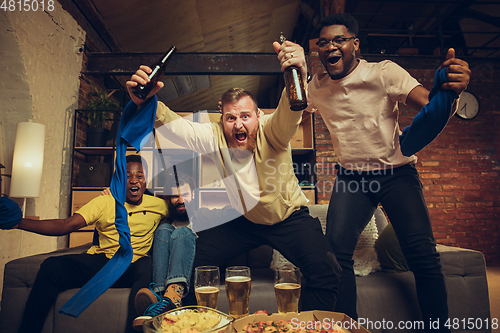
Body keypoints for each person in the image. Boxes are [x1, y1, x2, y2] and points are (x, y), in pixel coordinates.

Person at [273, 13, 470, 332]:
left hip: (397, 174)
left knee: (422, 255)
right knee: (337, 256)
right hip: (352, 179)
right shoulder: (317, 87)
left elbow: (429, 103)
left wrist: (451, 91)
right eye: (323, 42)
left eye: (339, 40)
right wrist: (293, 69)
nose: (330, 47)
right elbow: (293, 107)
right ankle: (346, 327)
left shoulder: (383, 72)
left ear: (355, 45)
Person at [126, 69, 341, 313]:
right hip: (244, 219)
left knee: (326, 269)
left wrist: (297, 74)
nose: (238, 124)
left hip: (286, 218)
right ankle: (190, 323)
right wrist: (147, 101)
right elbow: (179, 129)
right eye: (231, 118)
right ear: (223, 120)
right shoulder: (215, 135)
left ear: (258, 116)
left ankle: (313, 329)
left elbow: (289, 113)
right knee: (196, 260)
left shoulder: (272, 130)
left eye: (245, 116)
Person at [6, 155, 166, 333]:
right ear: (120, 179)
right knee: (51, 266)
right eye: (128, 176)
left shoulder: (159, 205)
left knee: (148, 263)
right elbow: (66, 225)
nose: (134, 180)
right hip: (105, 263)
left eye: (139, 176)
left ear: (146, 181)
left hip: (136, 267)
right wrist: (19, 223)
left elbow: (183, 216)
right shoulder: (104, 202)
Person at [132, 172, 196, 329]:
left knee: (181, 232)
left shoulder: (204, 218)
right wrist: (112, 193)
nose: (180, 200)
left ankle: (172, 297)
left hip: (192, 268)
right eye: (175, 196)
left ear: (193, 194)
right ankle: (161, 298)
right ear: (168, 199)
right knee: (163, 229)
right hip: (164, 275)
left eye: (185, 194)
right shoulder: (164, 223)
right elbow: (138, 195)